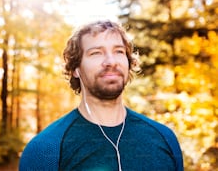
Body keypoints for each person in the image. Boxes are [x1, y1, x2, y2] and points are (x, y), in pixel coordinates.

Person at [19, 20, 183, 171]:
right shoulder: (45, 150)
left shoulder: (164, 139)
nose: (111, 61)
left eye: (119, 51)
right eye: (96, 53)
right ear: (76, 69)